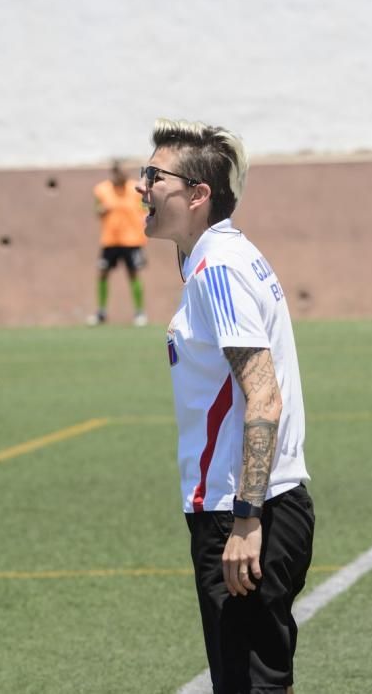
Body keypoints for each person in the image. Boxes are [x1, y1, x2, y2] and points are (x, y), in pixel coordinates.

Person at [136, 119, 315, 694]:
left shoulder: (219, 271)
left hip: (243, 513)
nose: (141, 187)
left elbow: (263, 394)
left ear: (197, 194)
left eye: (153, 175)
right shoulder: (219, 257)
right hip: (261, 504)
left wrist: (244, 519)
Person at [89, 160, 148, 326]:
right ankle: (101, 313)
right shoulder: (102, 190)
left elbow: (145, 211)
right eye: (120, 172)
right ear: (114, 172)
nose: (124, 175)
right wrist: (102, 209)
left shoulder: (135, 189)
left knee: (134, 274)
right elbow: (97, 210)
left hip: (132, 240)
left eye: (125, 172)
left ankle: (140, 313)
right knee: (102, 273)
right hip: (110, 240)